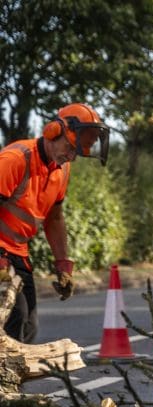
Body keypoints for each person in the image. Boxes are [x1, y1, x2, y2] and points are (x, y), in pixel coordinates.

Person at [0, 103, 109, 342]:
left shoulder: (62, 170)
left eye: (75, 153)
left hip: (18, 254)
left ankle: (12, 380)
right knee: (13, 320)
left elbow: (55, 218)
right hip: (1, 253)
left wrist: (63, 266)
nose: (69, 157)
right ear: (52, 131)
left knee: (29, 327)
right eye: (69, 148)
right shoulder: (15, 159)